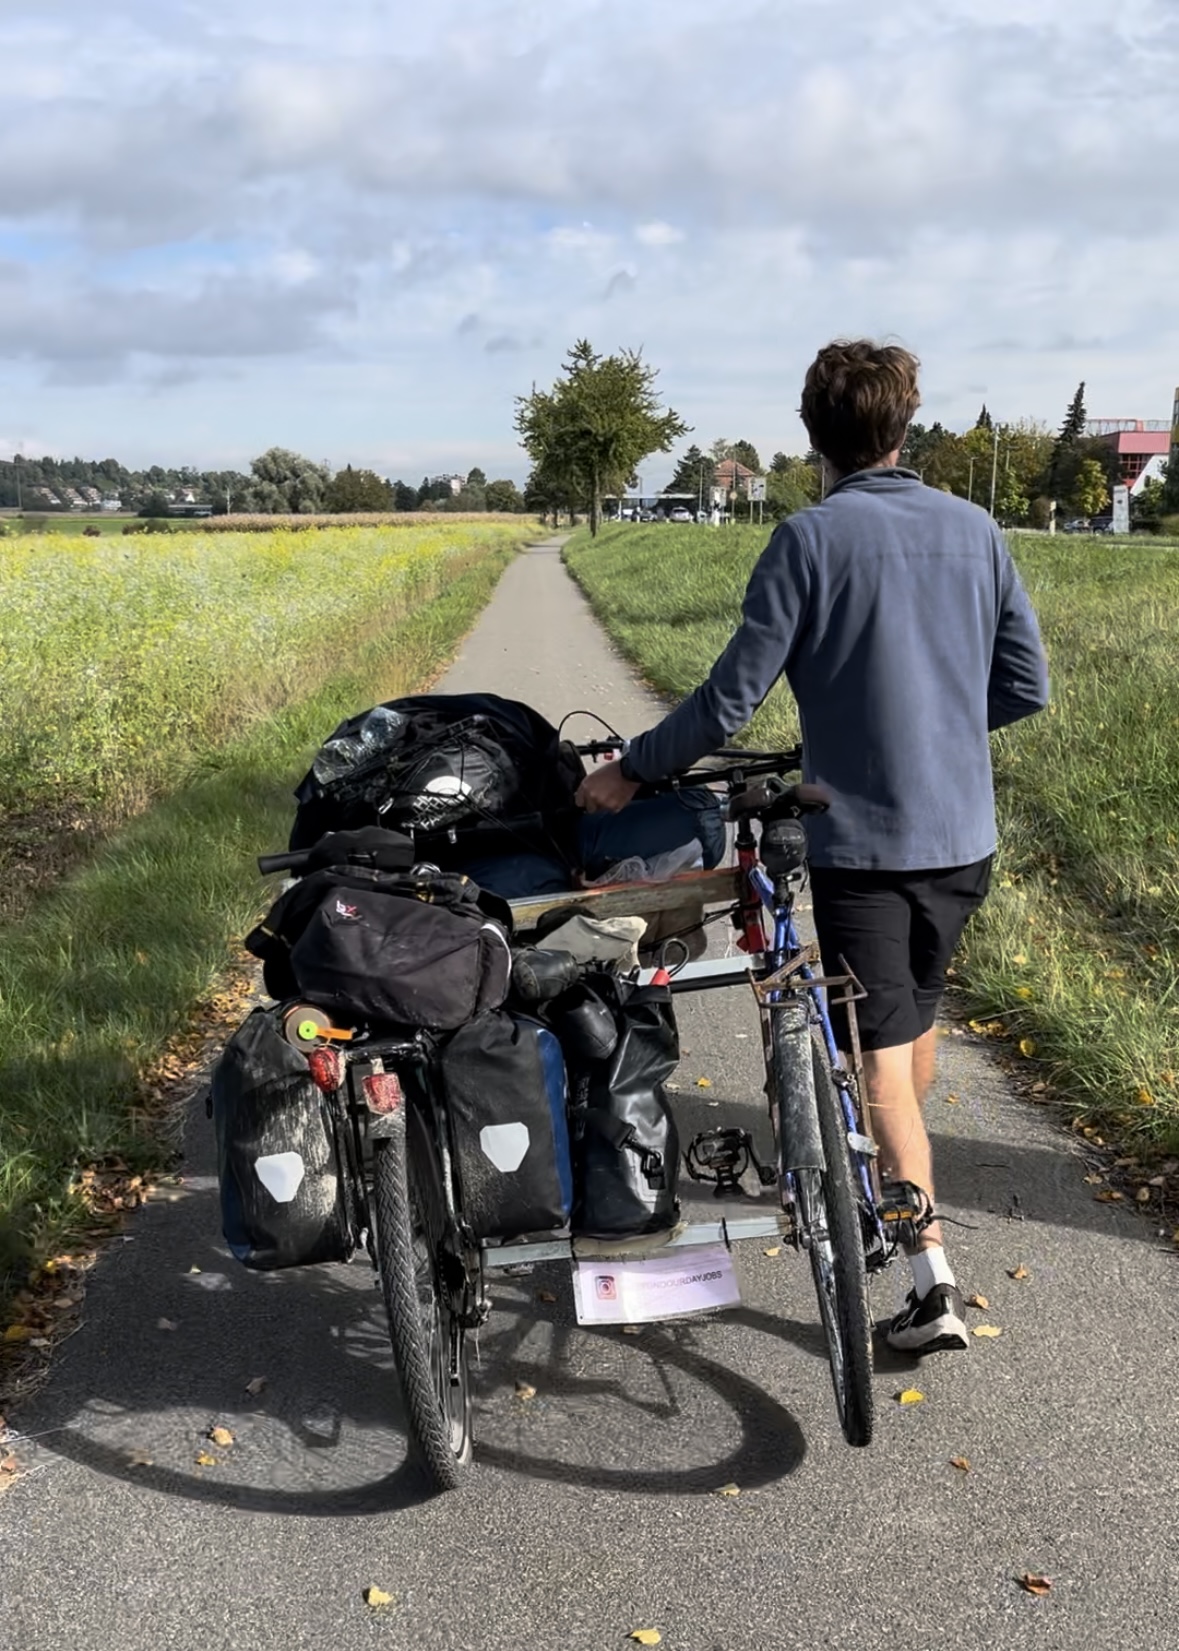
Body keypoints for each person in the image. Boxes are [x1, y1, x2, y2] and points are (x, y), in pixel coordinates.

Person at [576, 338, 1049, 1354]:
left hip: (865, 849)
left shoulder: (809, 540)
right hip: (964, 838)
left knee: (880, 1067)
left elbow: (727, 699)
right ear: (904, 423)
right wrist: (939, 733)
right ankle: (895, 1178)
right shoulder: (978, 531)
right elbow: (1026, 685)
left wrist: (634, 770)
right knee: (909, 1024)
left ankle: (932, 1284)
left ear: (812, 436)